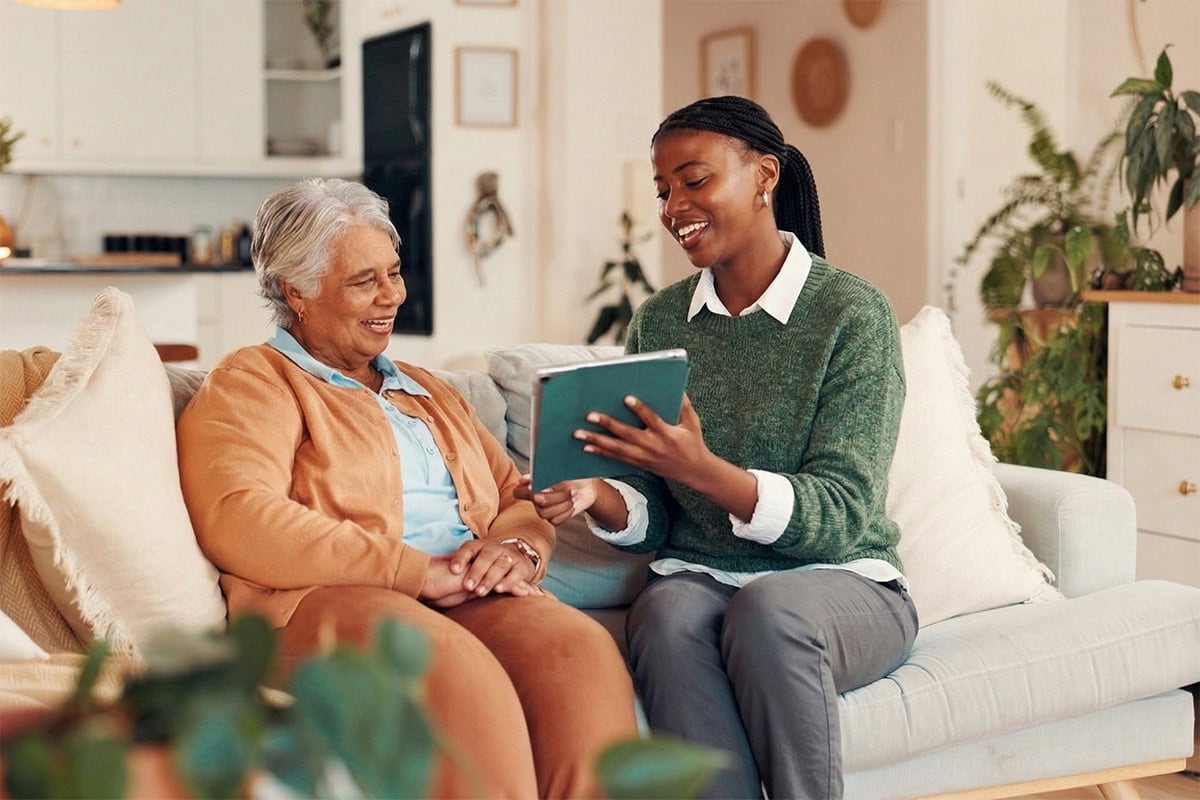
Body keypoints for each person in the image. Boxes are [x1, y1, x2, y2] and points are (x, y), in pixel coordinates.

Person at [176, 178, 637, 800]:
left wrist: (519, 552)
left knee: (577, 651)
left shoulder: (428, 391)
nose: (391, 295)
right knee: (448, 668)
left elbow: (512, 499)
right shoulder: (256, 379)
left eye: (393, 273)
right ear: (297, 293)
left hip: (462, 588)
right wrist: (412, 571)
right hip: (322, 600)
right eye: (364, 281)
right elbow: (238, 516)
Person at [518, 96, 920, 799]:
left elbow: (843, 512)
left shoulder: (852, 314)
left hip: (844, 581)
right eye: (663, 189)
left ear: (764, 175)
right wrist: (600, 496)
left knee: (768, 611)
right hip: (700, 577)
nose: (674, 206)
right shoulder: (661, 319)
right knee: (667, 615)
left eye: (694, 180)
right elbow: (658, 513)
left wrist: (704, 470)